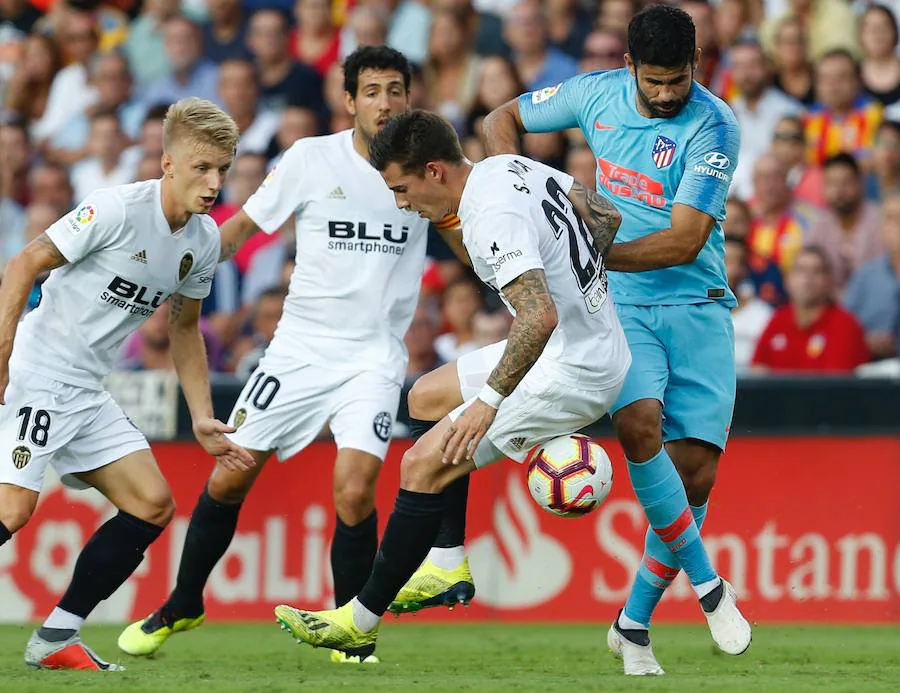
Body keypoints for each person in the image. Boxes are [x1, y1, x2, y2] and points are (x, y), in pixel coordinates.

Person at [117, 46, 468, 665]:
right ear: (349, 101)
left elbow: (466, 242)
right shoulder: (311, 159)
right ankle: (184, 601)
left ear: (409, 99)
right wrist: (175, 271)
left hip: (372, 359)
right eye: (371, 91)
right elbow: (243, 229)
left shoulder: (426, 170)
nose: (384, 102)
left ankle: (351, 633)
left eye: (395, 90)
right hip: (297, 350)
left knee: (355, 490)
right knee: (230, 473)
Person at [272, 109, 634, 661]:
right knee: (427, 396)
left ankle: (360, 620)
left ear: (435, 171)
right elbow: (600, 212)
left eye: (402, 188)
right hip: (579, 347)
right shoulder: (507, 167)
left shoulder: (490, 213)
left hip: (573, 369)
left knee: (421, 464)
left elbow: (538, 318)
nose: (400, 203)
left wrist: (486, 405)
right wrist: (583, 276)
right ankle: (446, 563)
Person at [480, 3, 752, 675]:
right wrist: (523, 192)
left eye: (677, 81)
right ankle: (710, 584)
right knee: (637, 423)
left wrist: (592, 252)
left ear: (696, 67)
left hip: (698, 302)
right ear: (629, 66)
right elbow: (499, 119)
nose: (664, 95)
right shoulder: (591, 92)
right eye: (653, 81)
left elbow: (686, 239)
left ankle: (632, 622)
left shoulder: (715, 124)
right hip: (621, 307)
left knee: (696, 473)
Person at [0, 97, 251, 671]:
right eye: (202, 168)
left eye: (222, 170)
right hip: (37, 374)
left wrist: (201, 416)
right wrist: (2, 351)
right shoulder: (116, 209)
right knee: (13, 510)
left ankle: (56, 638)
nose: (213, 183)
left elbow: (185, 329)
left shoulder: (204, 241)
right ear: (167, 163)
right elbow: (23, 264)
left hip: (87, 391)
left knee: (152, 505)